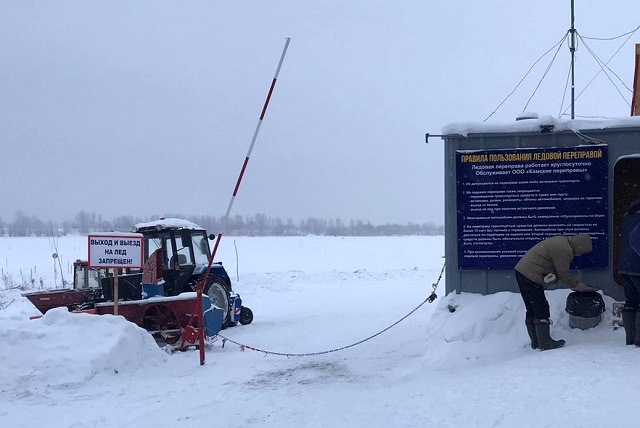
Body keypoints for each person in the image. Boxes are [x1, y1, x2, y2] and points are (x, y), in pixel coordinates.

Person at [514, 234, 593, 350]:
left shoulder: (562, 242)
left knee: (532, 308)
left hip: (522, 272)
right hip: (531, 275)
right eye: (581, 252)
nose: (579, 255)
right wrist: (577, 284)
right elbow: (563, 273)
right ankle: (545, 342)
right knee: (541, 307)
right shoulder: (564, 249)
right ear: (579, 246)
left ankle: (536, 342)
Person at [617, 199, 640, 346]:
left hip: (624, 263)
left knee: (631, 301)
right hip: (638, 264)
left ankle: (630, 339)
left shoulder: (627, 217)